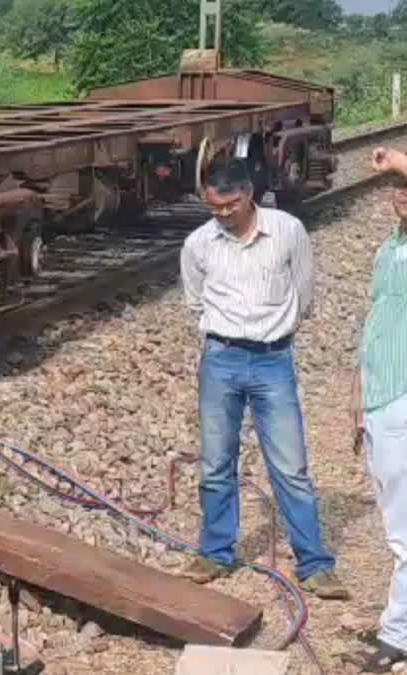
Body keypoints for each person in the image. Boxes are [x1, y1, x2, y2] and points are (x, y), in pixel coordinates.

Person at [177, 157, 348, 600]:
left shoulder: (287, 231)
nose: (221, 214)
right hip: (221, 359)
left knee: (291, 468)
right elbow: (195, 300)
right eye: (213, 207)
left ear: (248, 194)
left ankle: (313, 564)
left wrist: (278, 331)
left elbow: (304, 290)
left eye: (229, 205)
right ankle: (216, 552)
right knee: (216, 463)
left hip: (274, 361)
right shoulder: (198, 244)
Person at [344, 147, 407, 672]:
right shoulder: (390, 248)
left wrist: (401, 160)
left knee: (404, 526)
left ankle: (398, 635)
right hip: (383, 393)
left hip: (405, 396)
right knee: (396, 516)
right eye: (401, 189)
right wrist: (357, 399)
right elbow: (378, 322)